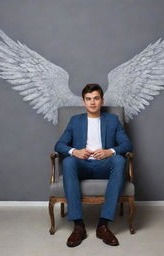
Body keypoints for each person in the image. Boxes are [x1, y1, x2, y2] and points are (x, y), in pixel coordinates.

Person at [54, 83, 132, 247]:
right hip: (82, 165)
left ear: (102, 100)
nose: (92, 102)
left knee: (119, 160)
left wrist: (109, 151)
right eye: (88, 99)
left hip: (105, 166)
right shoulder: (75, 121)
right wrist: (75, 151)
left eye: (96, 98)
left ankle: (103, 225)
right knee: (68, 162)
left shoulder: (112, 120)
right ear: (84, 102)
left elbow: (127, 145)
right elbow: (59, 145)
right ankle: (78, 226)